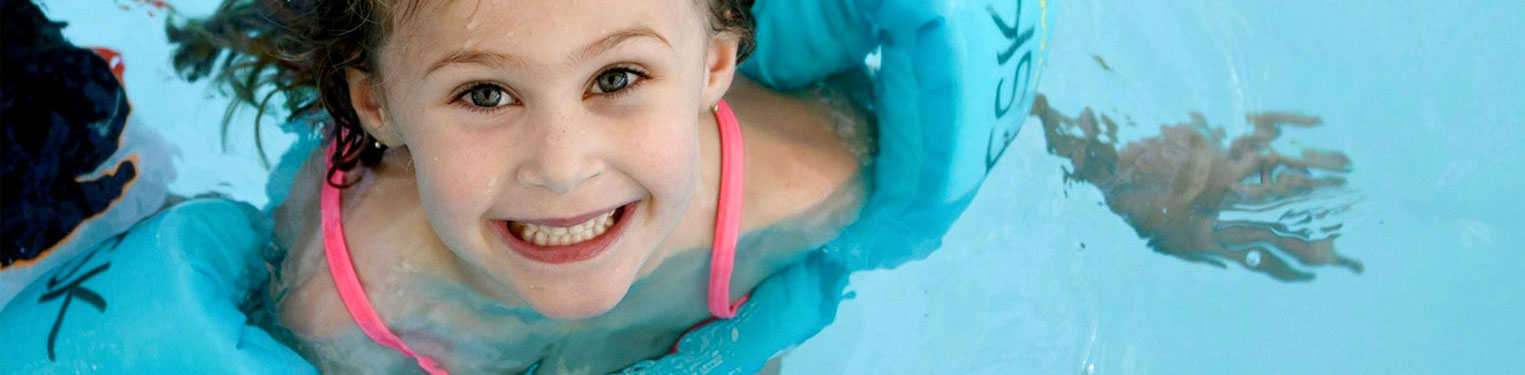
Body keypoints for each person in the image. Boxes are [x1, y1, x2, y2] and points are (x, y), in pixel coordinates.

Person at [171, 0, 871, 373]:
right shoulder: (350, 308)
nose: (562, 168)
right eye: (484, 94)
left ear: (714, 63)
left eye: (617, 77)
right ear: (380, 107)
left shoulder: (809, 184)